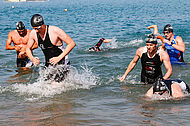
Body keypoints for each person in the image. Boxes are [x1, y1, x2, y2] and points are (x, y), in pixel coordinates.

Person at [26, 14, 76, 82]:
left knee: (56, 86)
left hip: (62, 61)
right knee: (45, 85)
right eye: (34, 28)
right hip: (48, 63)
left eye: (38, 28)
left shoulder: (55, 31)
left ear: (43, 24)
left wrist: (59, 58)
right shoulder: (33, 33)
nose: (36, 31)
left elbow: (71, 43)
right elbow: (28, 48)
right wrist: (32, 58)